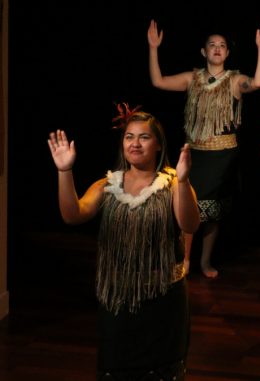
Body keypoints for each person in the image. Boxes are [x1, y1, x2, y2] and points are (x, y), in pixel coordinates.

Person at [47, 108, 200, 380]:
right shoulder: (107, 185)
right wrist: (65, 171)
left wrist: (185, 180)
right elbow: (72, 215)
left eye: (144, 137)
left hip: (163, 299)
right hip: (117, 299)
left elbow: (190, 224)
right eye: (129, 137)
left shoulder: (173, 183)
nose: (135, 143)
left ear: (158, 145)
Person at [147, 18, 260, 278]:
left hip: (223, 156)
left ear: (227, 53)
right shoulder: (192, 78)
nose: (217, 48)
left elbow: (258, 82)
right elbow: (158, 81)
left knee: (213, 212)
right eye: (212, 45)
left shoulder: (235, 80)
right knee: (189, 206)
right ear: (204, 52)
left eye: (222, 45)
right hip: (195, 154)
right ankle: (186, 260)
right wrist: (153, 48)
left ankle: (203, 261)